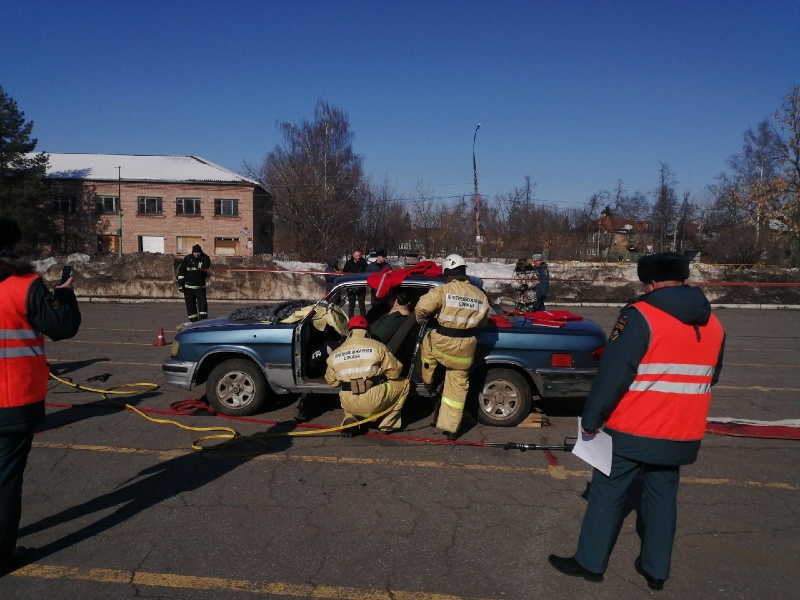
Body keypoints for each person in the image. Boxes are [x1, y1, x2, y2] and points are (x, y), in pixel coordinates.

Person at [548, 252, 725, 591]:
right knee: (661, 498)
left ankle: (590, 562)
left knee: (608, 492)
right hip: (682, 430)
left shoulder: (640, 316)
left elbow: (613, 375)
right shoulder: (712, 322)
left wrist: (591, 419)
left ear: (651, 283)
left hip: (634, 427)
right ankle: (656, 570)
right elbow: (711, 376)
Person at [0, 216, 81, 576]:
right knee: (5, 479)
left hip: (14, 400)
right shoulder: (23, 285)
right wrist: (64, 292)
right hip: (13, 401)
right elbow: (62, 328)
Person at [415, 254, 490, 440]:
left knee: (427, 346)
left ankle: (429, 381)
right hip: (465, 349)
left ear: (447, 273)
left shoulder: (443, 291)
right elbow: (483, 322)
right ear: (464, 272)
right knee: (457, 387)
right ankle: (451, 429)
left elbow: (422, 308)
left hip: (441, 344)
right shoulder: (480, 295)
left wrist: (419, 319)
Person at [325, 316, 410, 435]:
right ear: (367, 330)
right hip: (373, 399)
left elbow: (332, 383)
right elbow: (394, 372)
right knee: (405, 383)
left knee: (346, 390)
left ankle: (350, 418)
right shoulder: (377, 346)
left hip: (349, 402)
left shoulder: (335, 353)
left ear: (349, 332)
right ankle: (387, 424)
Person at [176, 244, 211, 322]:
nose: (196, 254)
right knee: (191, 308)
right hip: (188, 289)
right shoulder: (187, 258)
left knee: (203, 309)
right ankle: (193, 324)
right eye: (195, 252)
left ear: (200, 252)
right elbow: (181, 272)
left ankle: (202, 324)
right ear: (192, 252)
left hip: (200, 288)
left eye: (198, 252)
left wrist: (192, 265)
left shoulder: (205, 258)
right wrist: (180, 285)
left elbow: (205, 266)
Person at [341, 249, 367, 318]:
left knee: (362, 306)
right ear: (353, 255)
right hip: (351, 287)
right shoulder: (349, 264)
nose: (358, 257)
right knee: (351, 306)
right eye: (357, 255)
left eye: (359, 255)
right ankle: (351, 320)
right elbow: (344, 273)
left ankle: (363, 320)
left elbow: (367, 273)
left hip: (361, 287)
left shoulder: (364, 263)